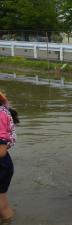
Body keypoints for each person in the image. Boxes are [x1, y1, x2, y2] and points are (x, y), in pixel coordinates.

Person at [0, 91, 19, 222]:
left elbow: (1, 151)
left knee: (2, 207)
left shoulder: (0, 115)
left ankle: (8, 218)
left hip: (1, 165)